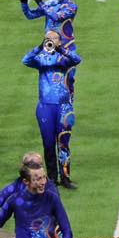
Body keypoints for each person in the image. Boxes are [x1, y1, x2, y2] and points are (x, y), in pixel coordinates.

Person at [23, 31, 81, 189]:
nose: (50, 40)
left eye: (54, 38)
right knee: (48, 144)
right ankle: (52, 178)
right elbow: (25, 60)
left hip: (63, 107)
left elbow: (77, 59)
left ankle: (66, 177)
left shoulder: (64, 58)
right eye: (47, 38)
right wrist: (38, 48)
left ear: (60, 41)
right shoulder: (41, 58)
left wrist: (61, 49)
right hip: (45, 107)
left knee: (63, 144)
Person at [21, 0, 78, 103]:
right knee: (47, 76)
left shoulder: (71, 6)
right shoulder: (50, 3)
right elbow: (30, 15)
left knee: (68, 78)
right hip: (49, 47)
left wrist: (40, 2)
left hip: (65, 47)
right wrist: (24, 3)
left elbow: (57, 16)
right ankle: (48, 106)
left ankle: (68, 107)